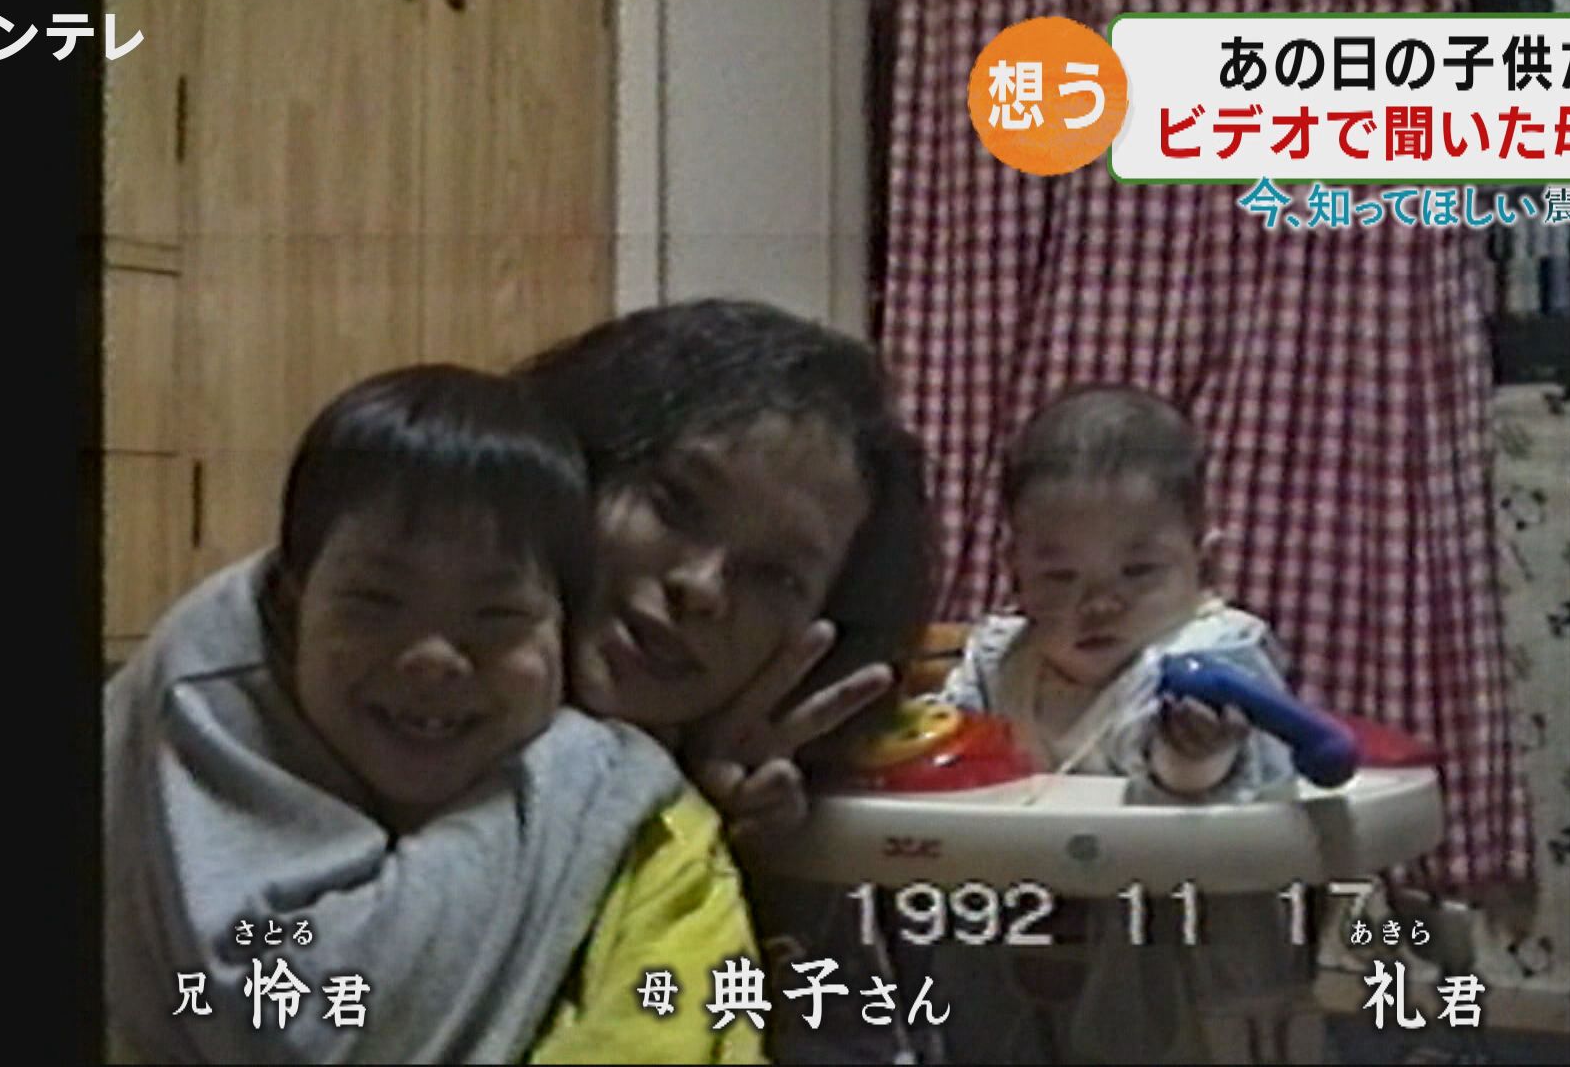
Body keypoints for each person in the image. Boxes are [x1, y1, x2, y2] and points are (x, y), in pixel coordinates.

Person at [103, 365, 762, 1063]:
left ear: (562, 627)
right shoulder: (208, 690)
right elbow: (295, 1023)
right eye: (375, 602)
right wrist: (603, 766)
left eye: (497, 614)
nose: (432, 658)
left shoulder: (665, 847)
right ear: (296, 604)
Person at [518, 299, 943, 1062]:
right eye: (676, 505)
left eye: (775, 575)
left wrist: (757, 869)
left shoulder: (787, 839)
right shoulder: (381, 717)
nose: (703, 586)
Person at [929, 385, 1309, 1063]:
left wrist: (1193, 752)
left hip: (1190, 971)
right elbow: (950, 753)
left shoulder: (1212, 658)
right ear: (1015, 572)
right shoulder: (999, 662)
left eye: (1137, 571)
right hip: (1028, 953)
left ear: (1205, 565)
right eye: (1059, 576)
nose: (1099, 603)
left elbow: (1190, 777)